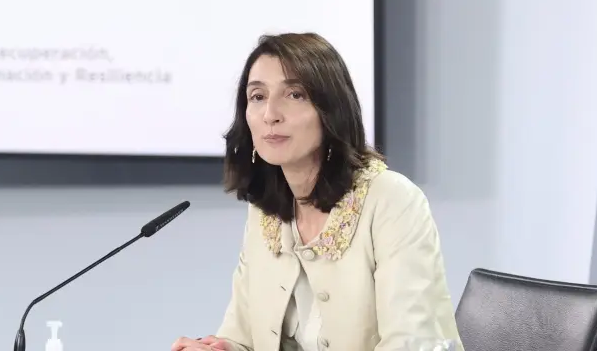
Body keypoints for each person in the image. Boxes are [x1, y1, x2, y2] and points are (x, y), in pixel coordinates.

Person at [172, 33, 462, 351]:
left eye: (295, 94)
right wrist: (217, 349)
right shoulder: (265, 212)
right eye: (257, 96)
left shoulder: (392, 200)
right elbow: (240, 336)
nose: (270, 114)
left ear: (331, 109)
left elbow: (411, 343)